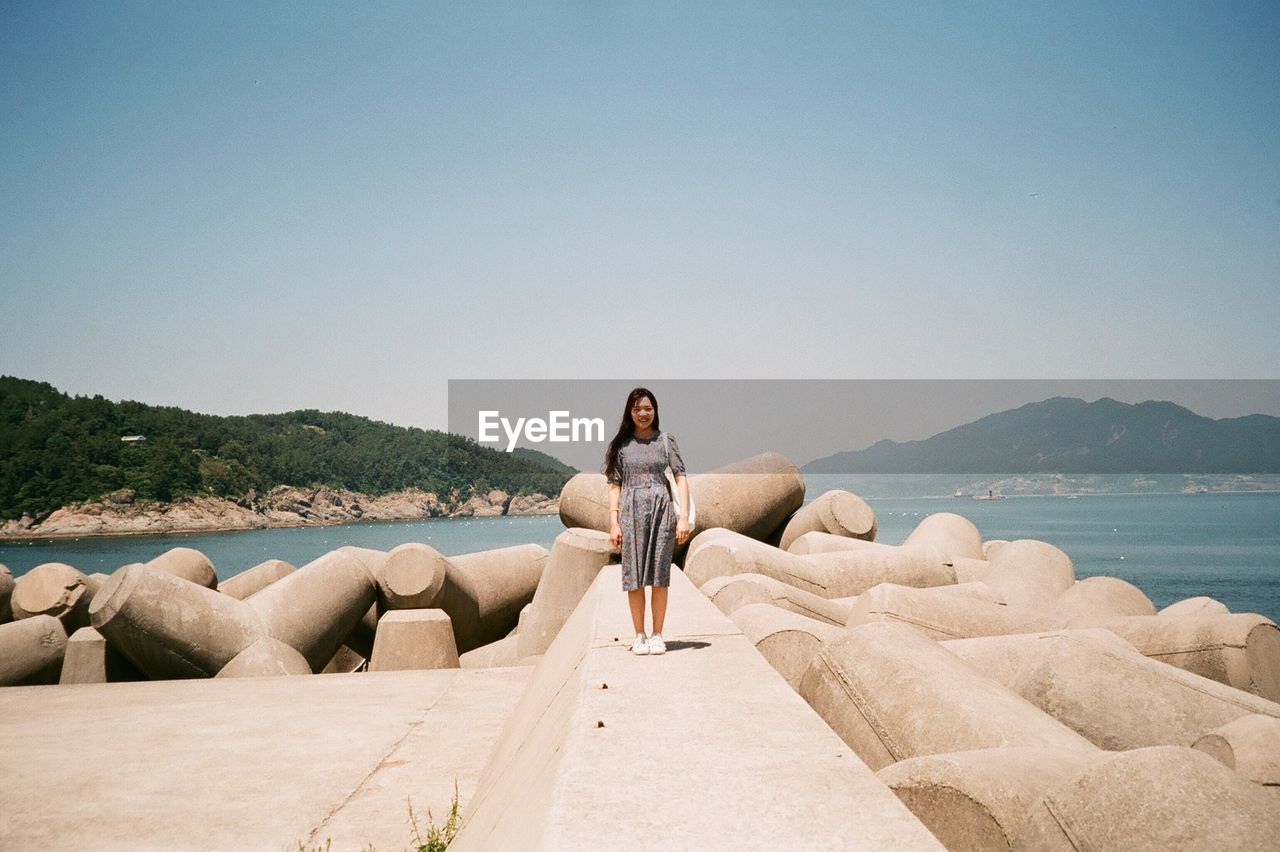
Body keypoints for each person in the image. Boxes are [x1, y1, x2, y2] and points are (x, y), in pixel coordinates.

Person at [604, 387, 690, 656]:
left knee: (659, 575)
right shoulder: (621, 445)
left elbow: (680, 477)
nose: (643, 413)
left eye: (648, 409)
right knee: (635, 577)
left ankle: (657, 635)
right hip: (630, 512)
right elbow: (614, 485)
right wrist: (614, 522)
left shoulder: (666, 441)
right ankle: (639, 634)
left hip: (662, 511)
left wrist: (683, 516)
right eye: (638, 409)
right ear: (630, 412)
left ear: (655, 411)